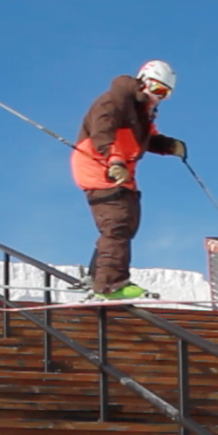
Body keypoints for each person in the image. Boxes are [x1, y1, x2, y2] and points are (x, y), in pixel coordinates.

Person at [70, 60, 187, 300]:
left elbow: (148, 138)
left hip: (122, 172)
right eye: (157, 89)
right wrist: (114, 161)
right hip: (100, 166)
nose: (158, 97)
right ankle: (110, 284)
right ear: (143, 82)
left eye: (165, 94)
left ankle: (97, 276)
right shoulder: (114, 101)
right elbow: (103, 133)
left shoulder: (143, 113)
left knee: (128, 221)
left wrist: (169, 145)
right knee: (117, 223)